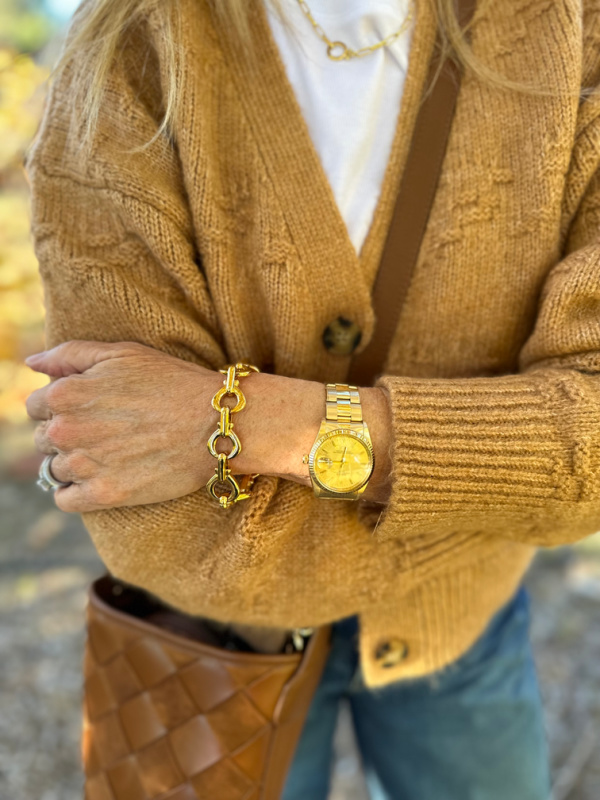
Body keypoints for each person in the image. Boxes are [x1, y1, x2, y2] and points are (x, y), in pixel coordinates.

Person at [23, 0, 600, 797]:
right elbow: (142, 507)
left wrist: (239, 423)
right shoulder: (131, 46)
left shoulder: (576, 34)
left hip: (465, 626)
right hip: (214, 647)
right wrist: (492, 479)